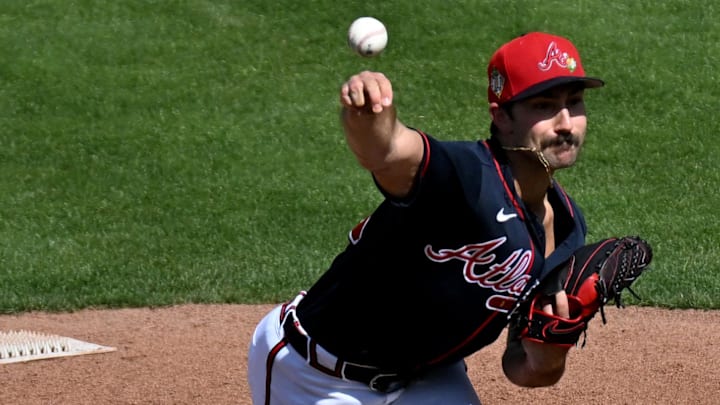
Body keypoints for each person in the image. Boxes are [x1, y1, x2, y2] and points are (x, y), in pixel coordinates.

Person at [248, 31, 650, 404]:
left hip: (426, 377)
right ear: (502, 116)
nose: (565, 124)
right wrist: (369, 114)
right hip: (313, 373)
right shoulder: (466, 177)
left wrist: (548, 354)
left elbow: (521, 367)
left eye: (573, 102)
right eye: (543, 106)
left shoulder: (565, 227)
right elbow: (386, 152)